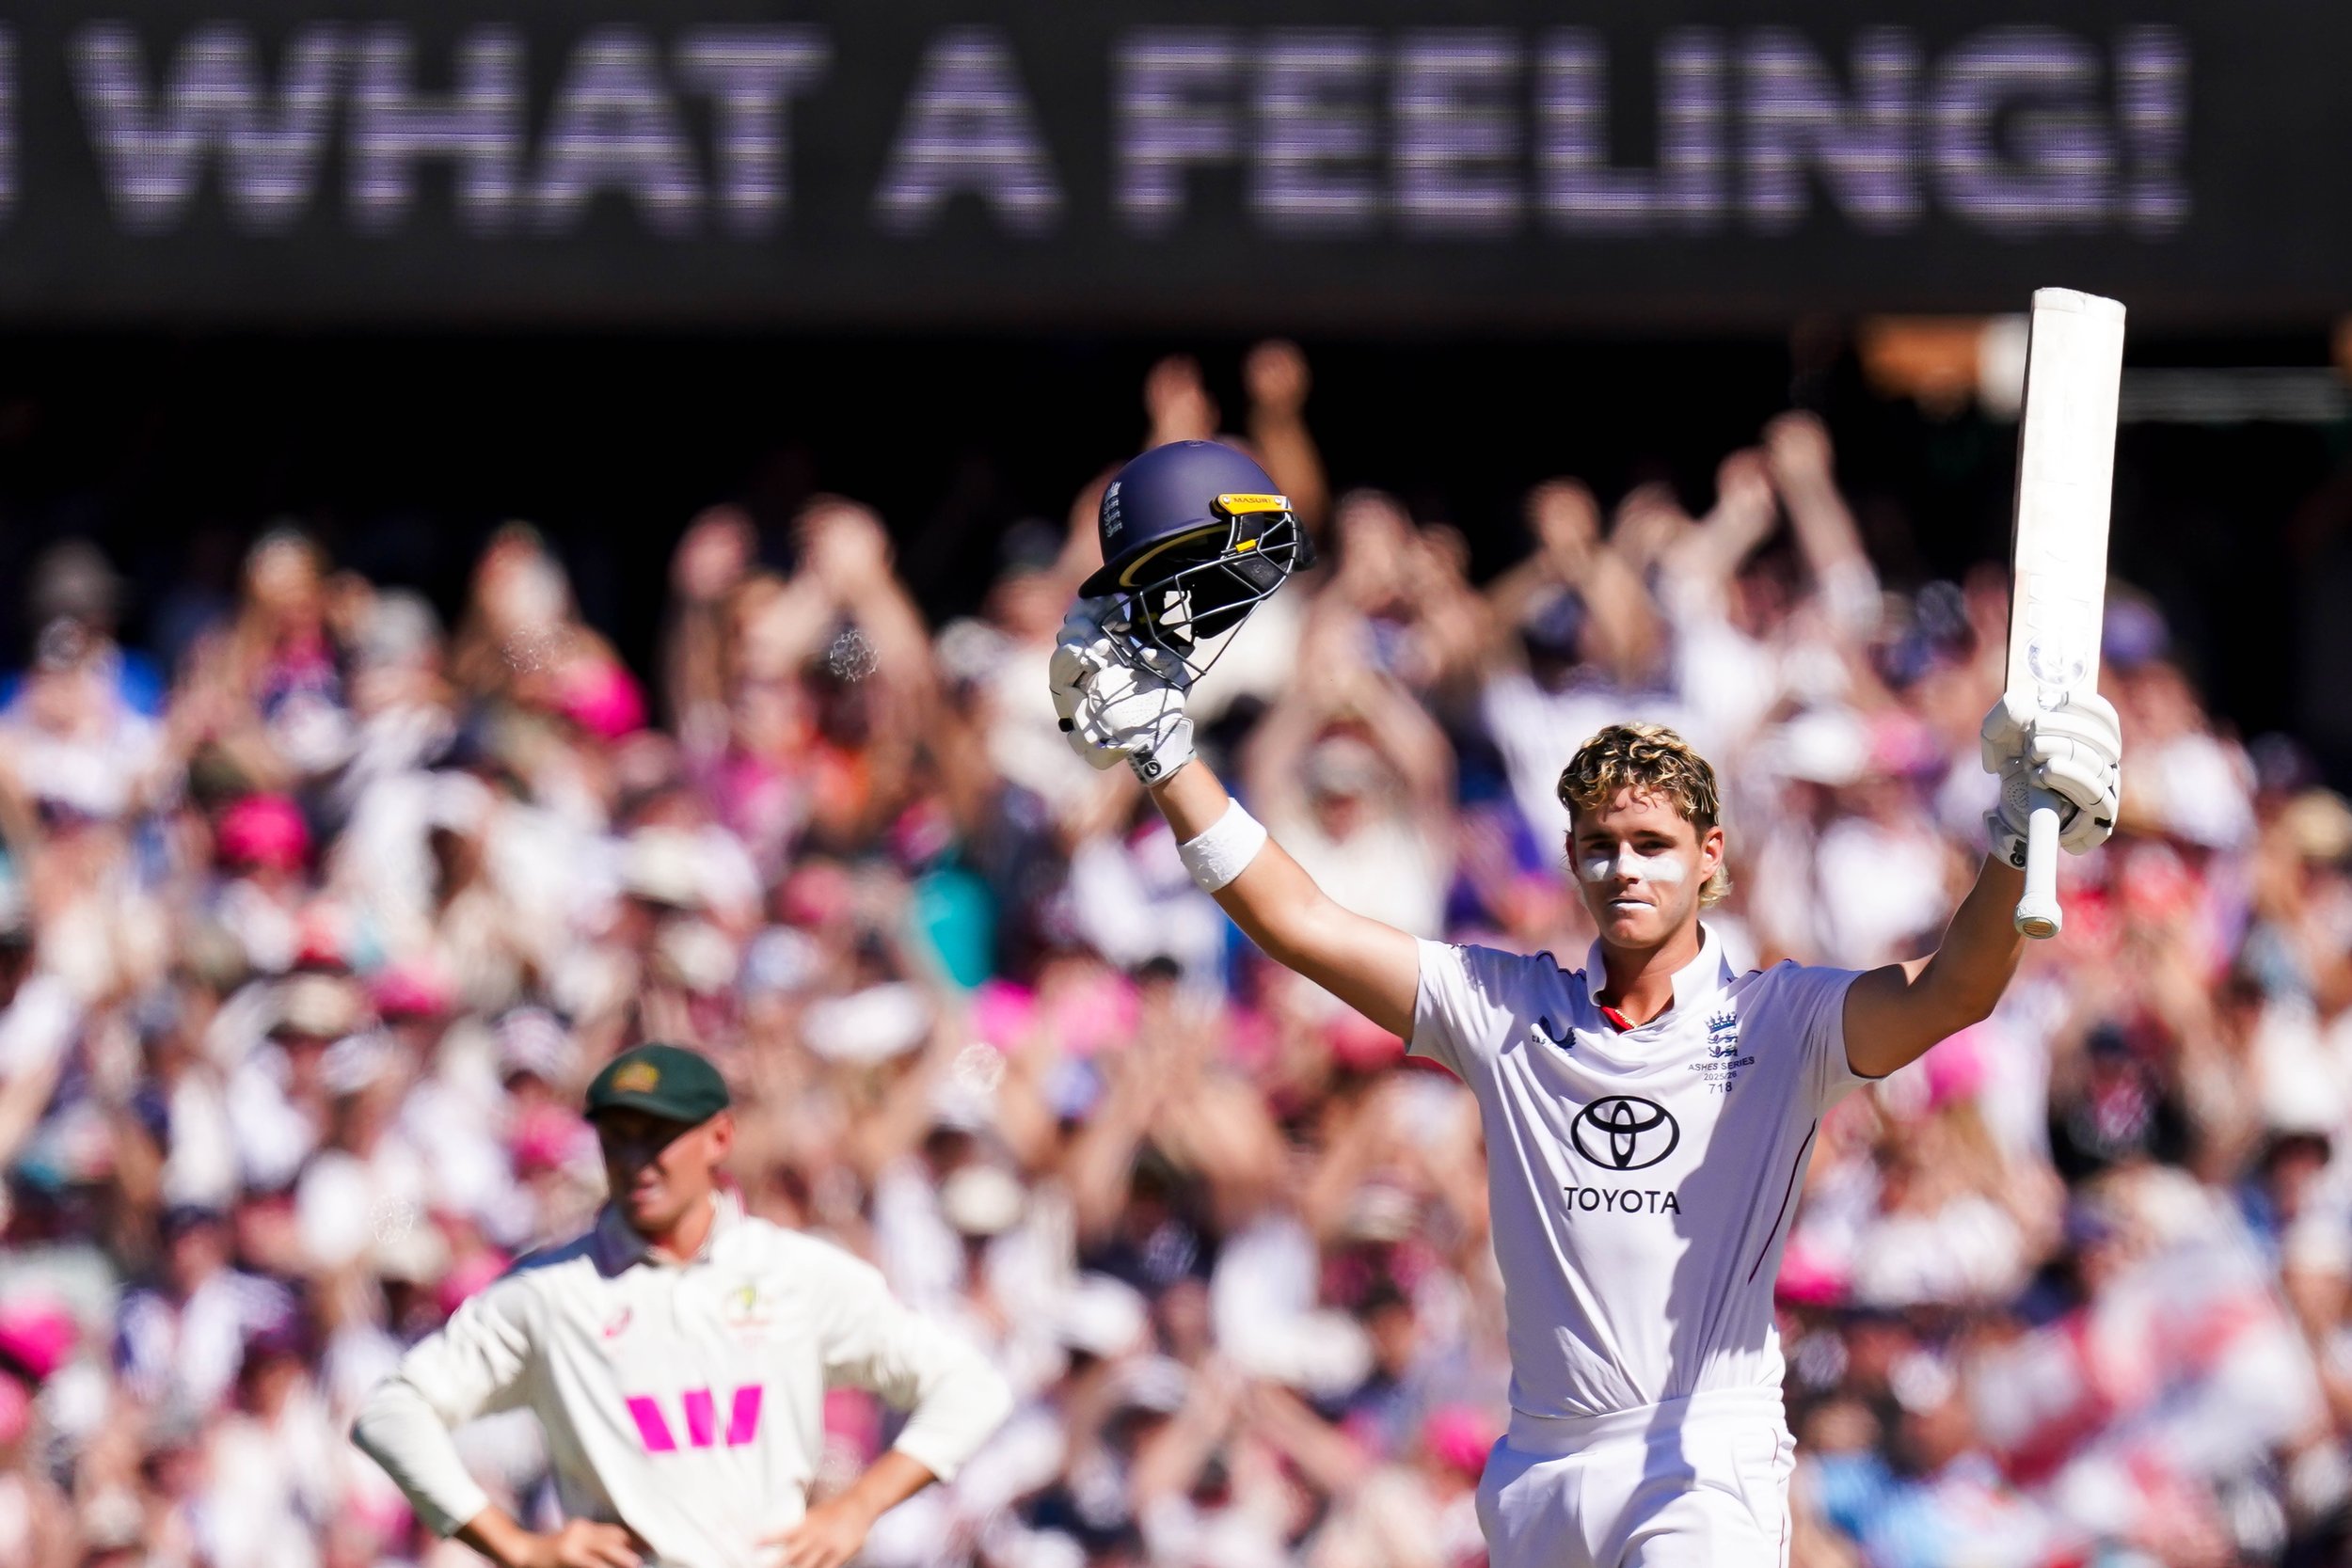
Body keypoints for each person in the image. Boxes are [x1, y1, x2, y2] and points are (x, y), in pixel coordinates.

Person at [1048, 442, 2124, 1567]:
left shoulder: (1781, 1020)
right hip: (1542, 1469)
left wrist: (2017, 838)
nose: (1627, 870)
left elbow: (1959, 985)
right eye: (1602, 847)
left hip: (1701, 1460)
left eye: (1654, 845)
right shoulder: (1502, 1007)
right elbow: (1299, 922)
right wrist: (1165, 752)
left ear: (1710, 859)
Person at [351, 1042, 1013, 1568]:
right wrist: (514, 1544)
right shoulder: (550, 1291)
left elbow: (970, 1386)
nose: (637, 1160)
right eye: (619, 1137)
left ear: (719, 1138)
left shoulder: (791, 1272)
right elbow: (391, 1412)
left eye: (658, 1136)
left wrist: (861, 1505)